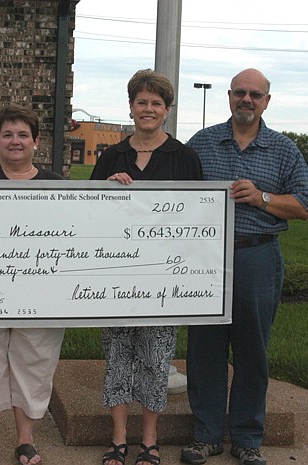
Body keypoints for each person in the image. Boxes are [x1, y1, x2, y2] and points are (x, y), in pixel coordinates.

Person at [180, 68, 308, 465]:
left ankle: (247, 437)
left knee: (252, 349)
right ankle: (205, 435)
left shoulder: (283, 149)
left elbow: (305, 204)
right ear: (228, 96)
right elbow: (171, 190)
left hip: (257, 256)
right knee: (204, 347)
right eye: (240, 92)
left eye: (255, 94)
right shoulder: (202, 143)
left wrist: (263, 198)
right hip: (205, 258)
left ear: (267, 101)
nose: (247, 100)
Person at [90, 69, 203, 465]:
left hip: (164, 280)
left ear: (167, 110)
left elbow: (198, 222)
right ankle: (118, 439)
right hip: (115, 279)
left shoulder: (184, 158)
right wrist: (107, 192)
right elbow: (88, 218)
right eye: (142, 102)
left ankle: (150, 441)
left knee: (156, 360)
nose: (149, 109)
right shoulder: (112, 156)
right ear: (131, 106)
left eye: (157, 103)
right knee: (118, 357)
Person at [0, 105, 65, 465]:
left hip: (41, 294)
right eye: (7, 135)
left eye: (22, 135)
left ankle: (25, 440)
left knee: (34, 363)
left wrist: (114, 191)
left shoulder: (57, 186)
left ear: (36, 141)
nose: (15, 141)